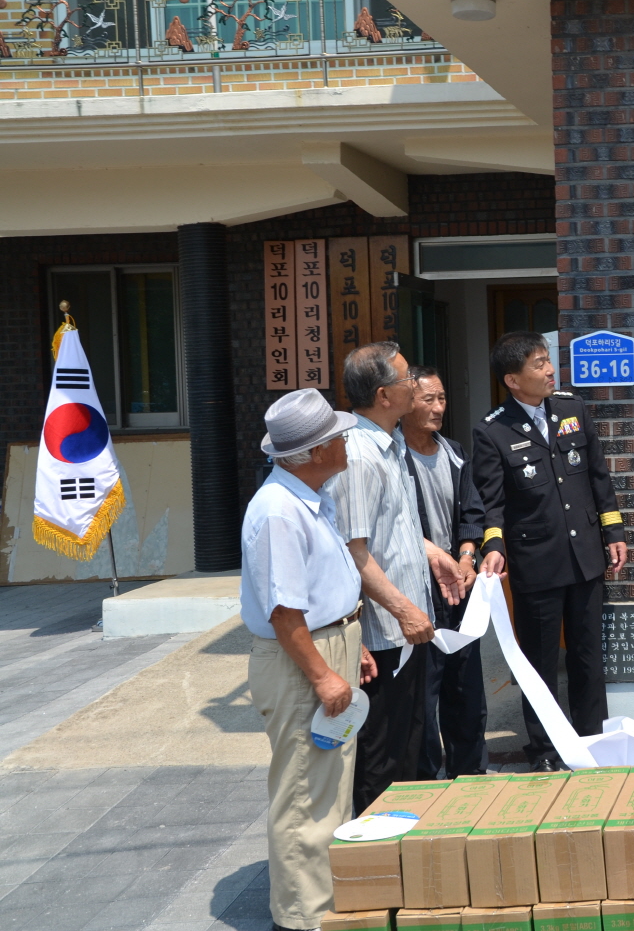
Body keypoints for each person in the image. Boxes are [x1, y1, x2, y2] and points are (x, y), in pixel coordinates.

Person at [241, 389, 373, 931]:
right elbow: (284, 612)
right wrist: (322, 673)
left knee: (329, 785)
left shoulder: (310, 496)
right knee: (304, 792)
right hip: (301, 656)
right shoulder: (278, 510)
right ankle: (303, 917)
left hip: (326, 643)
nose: (345, 444)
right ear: (316, 452)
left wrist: (351, 643)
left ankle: (325, 904)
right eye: (338, 437)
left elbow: (319, 589)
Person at [471, 331, 628, 771]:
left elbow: (597, 476)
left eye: (547, 360)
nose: (549, 370)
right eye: (538, 364)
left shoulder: (571, 409)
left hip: (585, 558)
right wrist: (493, 545)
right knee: (539, 664)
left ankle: (593, 741)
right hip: (537, 563)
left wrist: (613, 531)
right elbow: (491, 501)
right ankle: (545, 750)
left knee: (587, 657)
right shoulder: (493, 430)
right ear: (513, 380)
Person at [329, 341, 463, 811]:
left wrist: (432, 553)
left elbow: (392, 528)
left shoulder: (392, 445)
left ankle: (408, 838)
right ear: (384, 396)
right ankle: (378, 845)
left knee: (412, 747)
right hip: (385, 636)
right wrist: (405, 610)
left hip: (408, 629)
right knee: (382, 759)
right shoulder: (360, 456)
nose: (415, 386)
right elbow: (354, 551)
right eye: (407, 380)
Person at [403, 365, 486, 778]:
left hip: (459, 587)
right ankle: (427, 784)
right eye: (428, 399)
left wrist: (467, 558)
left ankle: (470, 777)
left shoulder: (454, 451)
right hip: (417, 591)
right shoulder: (391, 457)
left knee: (467, 689)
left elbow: (472, 513)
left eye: (442, 398)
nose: (438, 407)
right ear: (406, 403)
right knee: (423, 696)